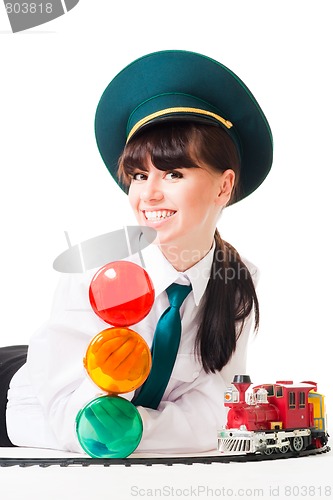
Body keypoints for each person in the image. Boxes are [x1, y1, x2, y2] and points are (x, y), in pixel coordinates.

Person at [1, 50, 273, 453]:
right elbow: (72, 422)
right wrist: (109, 384)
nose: (149, 194)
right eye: (139, 175)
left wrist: (131, 430)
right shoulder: (93, 268)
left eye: (174, 173)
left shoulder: (238, 283)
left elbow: (214, 413)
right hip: (21, 396)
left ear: (223, 186)